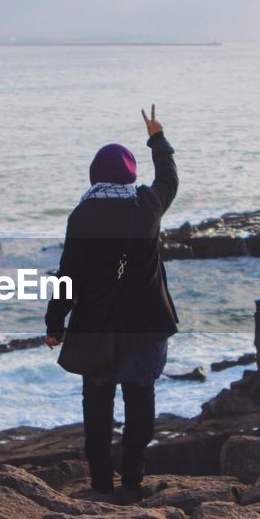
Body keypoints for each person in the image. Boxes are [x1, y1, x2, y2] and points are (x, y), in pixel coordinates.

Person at [45, 105, 178, 495]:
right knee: (140, 403)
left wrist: (55, 322)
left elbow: (68, 274)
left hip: (94, 326)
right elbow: (169, 179)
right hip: (145, 325)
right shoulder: (148, 205)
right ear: (131, 173)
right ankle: (133, 479)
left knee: (97, 409)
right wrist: (157, 138)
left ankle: (102, 484)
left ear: (95, 174)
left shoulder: (83, 215)